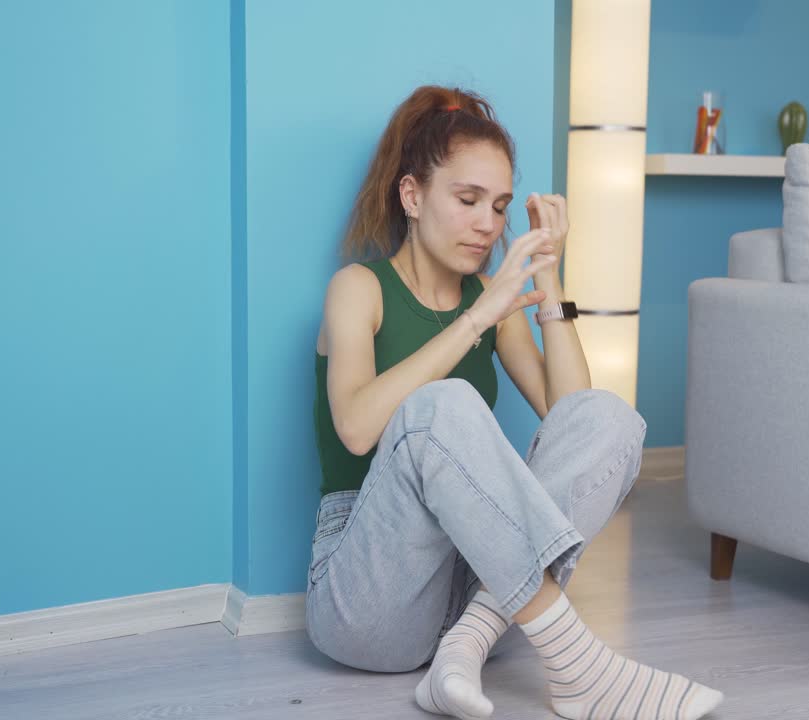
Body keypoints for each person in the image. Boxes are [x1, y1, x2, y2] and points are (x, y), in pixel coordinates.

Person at [308, 85, 723, 720]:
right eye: (468, 200)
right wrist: (479, 317)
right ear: (412, 196)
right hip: (366, 599)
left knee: (612, 416)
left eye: (500, 206)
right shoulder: (359, 290)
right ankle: (580, 666)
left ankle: (463, 650)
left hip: (477, 587)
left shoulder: (493, 300)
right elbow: (358, 428)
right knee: (440, 406)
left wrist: (549, 277)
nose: (488, 224)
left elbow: (579, 421)